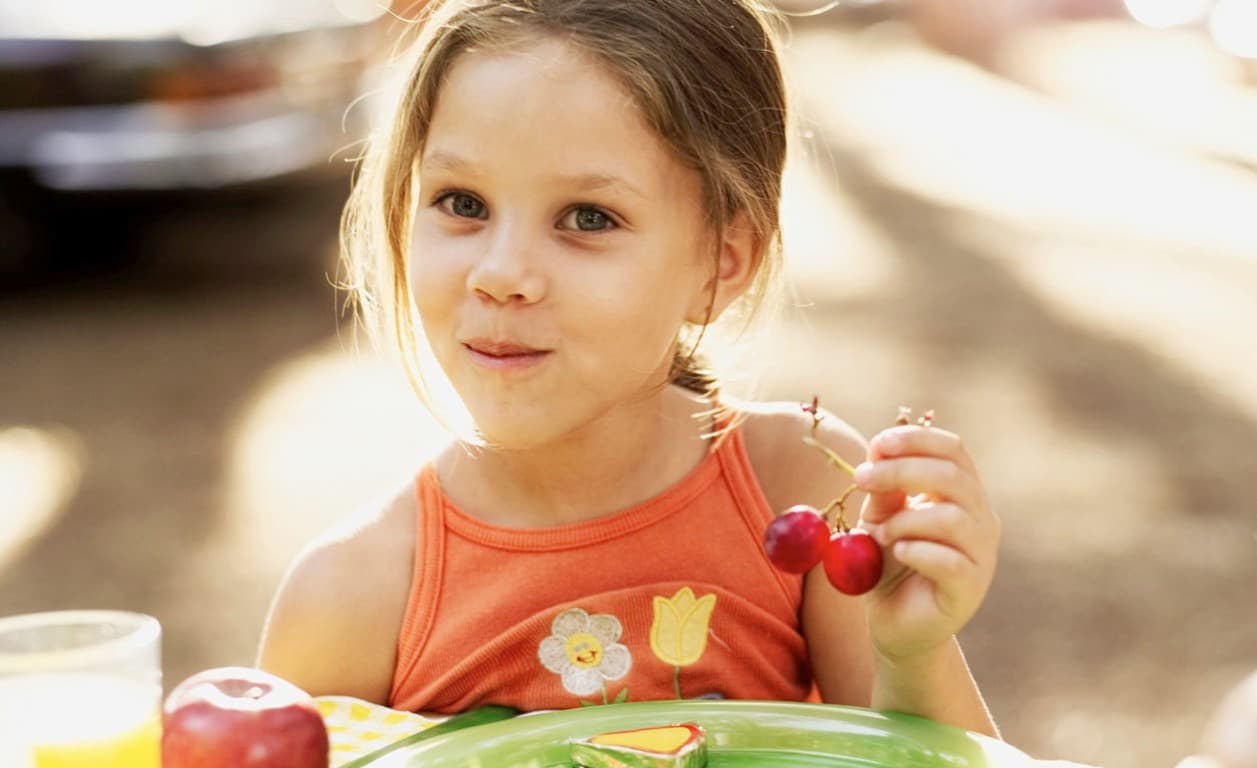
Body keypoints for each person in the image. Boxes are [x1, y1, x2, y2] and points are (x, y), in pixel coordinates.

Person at [256, 0, 1001, 739]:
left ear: (722, 258)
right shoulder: (352, 598)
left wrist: (912, 652)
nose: (501, 273)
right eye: (462, 202)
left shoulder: (791, 492)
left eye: (587, 217)